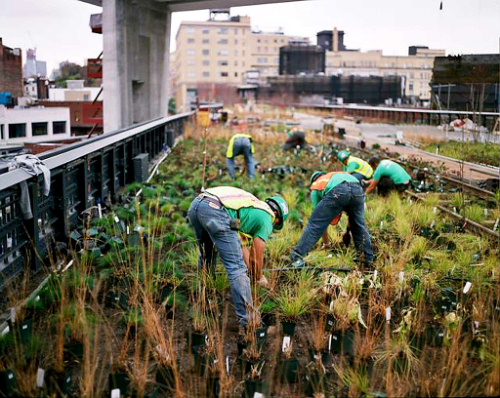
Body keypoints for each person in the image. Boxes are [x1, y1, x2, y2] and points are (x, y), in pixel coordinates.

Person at [187, 186, 289, 327]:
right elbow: (255, 257)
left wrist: (252, 272)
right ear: (276, 217)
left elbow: (240, 247)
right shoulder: (267, 218)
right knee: (236, 268)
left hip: (197, 206)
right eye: (276, 223)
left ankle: (205, 303)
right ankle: (249, 321)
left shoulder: (249, 208)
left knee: (207, 257)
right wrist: (258, 277)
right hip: (215, 209)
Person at [290, 172, 373, 267]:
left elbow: (319, 223)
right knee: (359, 226)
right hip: (358, 189)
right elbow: (354, 219)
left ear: (314, 180)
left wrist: (326, 243)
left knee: (314, 224)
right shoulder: (335, 175)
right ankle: (367, 259)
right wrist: (348, 230)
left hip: (339, 190)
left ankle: (296, 257)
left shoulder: (316, 186)